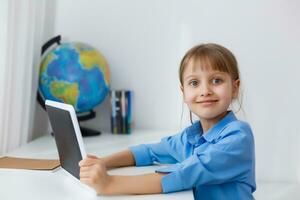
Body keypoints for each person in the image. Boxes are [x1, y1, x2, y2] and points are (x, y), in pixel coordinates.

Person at [79, 43, 256, 199]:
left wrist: (109, 183)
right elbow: (148, 152)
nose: (205, 91)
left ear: (234, 88)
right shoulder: (191, 137)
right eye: (194, 83)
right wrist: (102, 162)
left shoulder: (238, 137)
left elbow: (184, 175)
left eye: (216, 81)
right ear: (183, 92)